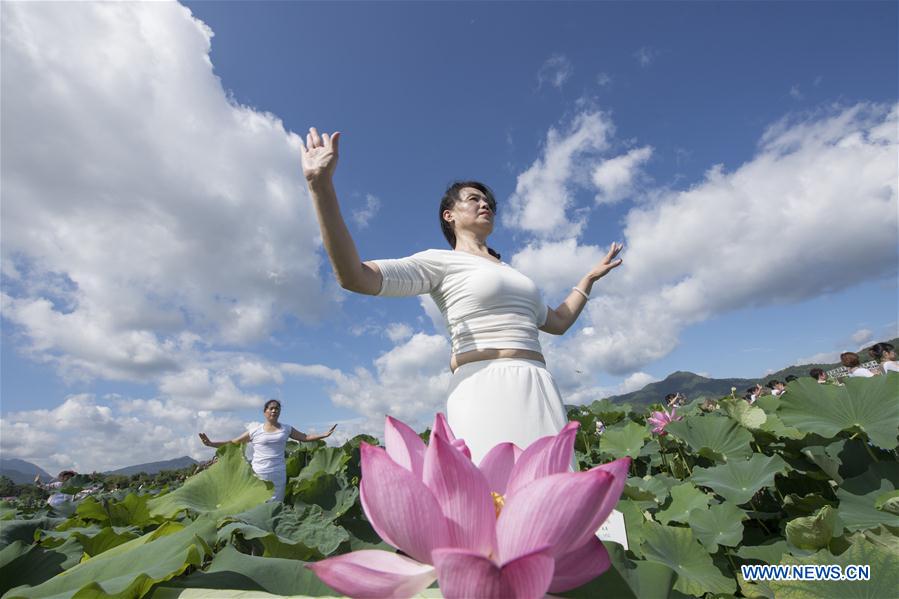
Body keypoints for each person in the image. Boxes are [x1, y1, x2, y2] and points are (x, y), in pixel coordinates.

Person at [300, 128, 624, 464]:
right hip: (482, 386)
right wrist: (319, 186)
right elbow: (354, 277)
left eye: (488, 202)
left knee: (557, 498)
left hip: (538, 382)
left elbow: (557, 323)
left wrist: (587, 280)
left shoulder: (515, 274)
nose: (485, 203)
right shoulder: (440, 262)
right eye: (473, 199)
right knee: (487, 498)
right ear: (449, 215)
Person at [199, 399, 337, 502]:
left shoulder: (286, 429)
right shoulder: (255, 431)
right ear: (265, 412)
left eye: (277, 409)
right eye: (271, 408)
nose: (274, 411)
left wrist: (323, 434)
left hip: (278, 473)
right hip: (259, 473)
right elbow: (233, 443)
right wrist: (211, 444)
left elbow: (304, 437)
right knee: (258, 505)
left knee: (276, 506)